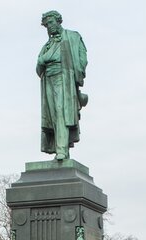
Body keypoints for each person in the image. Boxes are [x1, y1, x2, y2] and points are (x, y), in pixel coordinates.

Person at [36, 10, 88, 161]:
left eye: (50, 22)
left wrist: (76, 76)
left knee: (61, 113)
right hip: (49, 80)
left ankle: (62, 151)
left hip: (64, 78)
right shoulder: (46, 45)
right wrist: (42, 60)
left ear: (58, 21)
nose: (49, 27)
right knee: (53, 116)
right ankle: (63, 151)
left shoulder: (73, 36)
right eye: (46, 25)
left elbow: (82, 58)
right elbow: (39, 67)